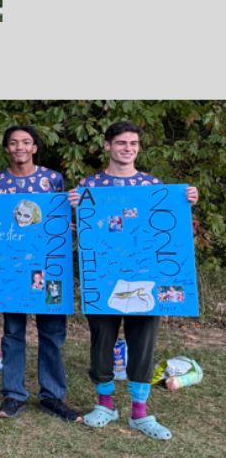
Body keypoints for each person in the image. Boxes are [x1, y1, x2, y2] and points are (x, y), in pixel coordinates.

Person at [68, 120, 200, 440]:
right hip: (104, 279)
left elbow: (170, 231)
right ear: (108, 146)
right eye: (122, 143)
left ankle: (140, 414)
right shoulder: (90, 187)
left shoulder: (153, 186)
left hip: (145, 279)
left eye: (134, 144)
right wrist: (74, 210)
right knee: (102, 340)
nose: (128, 149)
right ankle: (105, 405)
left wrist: (187, 202)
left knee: (143, 343)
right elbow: (81, 233)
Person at [0, 125, 82, 422]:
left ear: (35, 147)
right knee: (12, 333)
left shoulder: (52, 179)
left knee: (52, 333)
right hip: (11, 270)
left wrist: (69, 224)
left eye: (26, 142)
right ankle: (13, 395)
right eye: (13, 143)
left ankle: (52, 397)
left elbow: (58, 221)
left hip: (50, 267)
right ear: (6, 149)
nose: (19, 147)